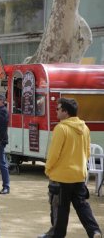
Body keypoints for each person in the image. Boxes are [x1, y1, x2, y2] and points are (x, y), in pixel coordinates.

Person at [38, 98, 102, 238]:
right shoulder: (84, 128)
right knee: (82, 205)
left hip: (61, 176)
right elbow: (87, 151)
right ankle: (94, 231)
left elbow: (54, 153)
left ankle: (57, 234)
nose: (56, 111)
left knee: (59, 208)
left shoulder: (61, 128)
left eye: (58, 109)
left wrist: (48, 169)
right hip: (79, 175)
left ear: (65, 112)